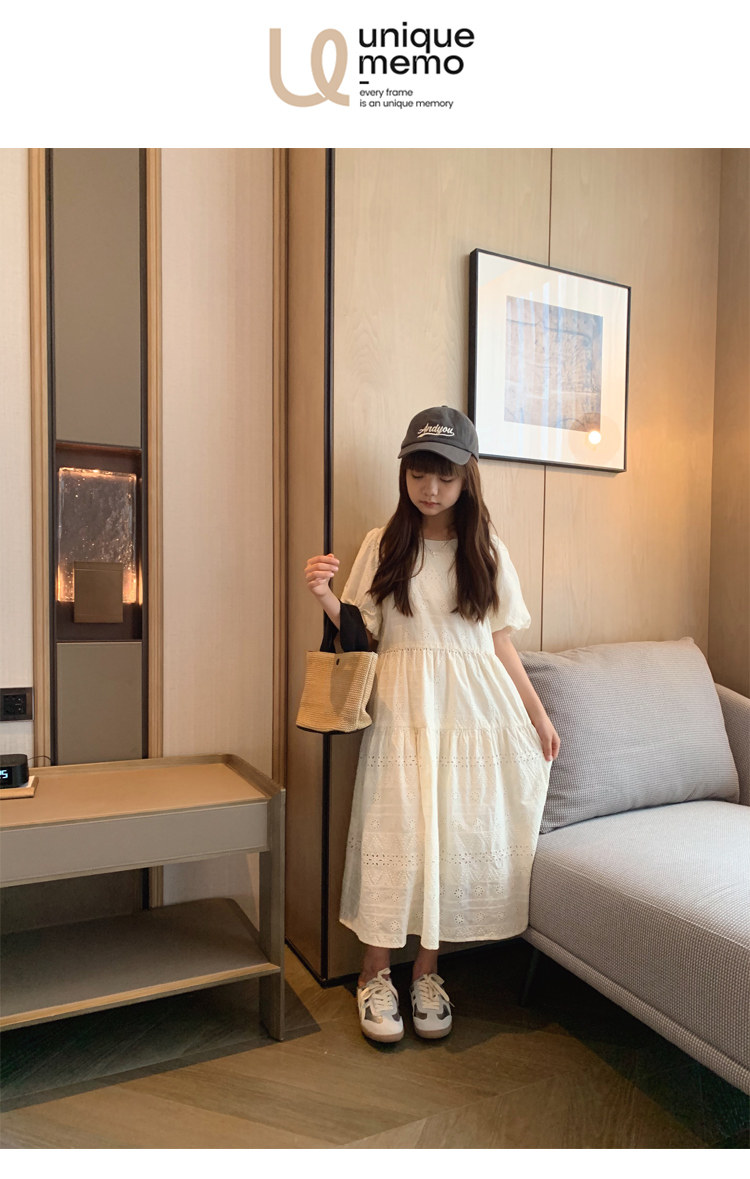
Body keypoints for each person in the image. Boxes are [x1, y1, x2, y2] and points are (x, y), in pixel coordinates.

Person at [304, 405, 560, 1044]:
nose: (431, 488)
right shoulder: (383, 543)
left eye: (445, 475)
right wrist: (326, 597)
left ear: (467, 477)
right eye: (419, 472)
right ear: (405, 473)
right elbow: (364, 634)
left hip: (472, 713)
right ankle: (374, 974)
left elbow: (498, 641)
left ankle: (427, 972)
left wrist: (537, 713)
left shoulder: (486, 550)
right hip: (401, 711)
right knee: (394, 830)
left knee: (447, 835)